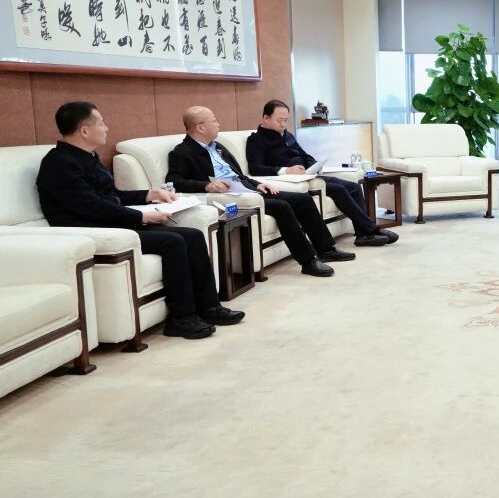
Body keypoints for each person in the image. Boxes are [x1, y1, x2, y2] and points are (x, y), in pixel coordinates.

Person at [36, 101, 243, 340]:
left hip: (111, 221)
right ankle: (181, 317)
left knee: (193, 236)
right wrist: (141, 216)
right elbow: (90, 206)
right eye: (101, 123)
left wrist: (148, 195)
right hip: (91, 229)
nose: (106, 128)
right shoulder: (59, 164)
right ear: (84, 130)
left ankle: (209, 307)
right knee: (173, 241)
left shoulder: (87, 158)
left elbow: (111, 196)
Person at [166, 106, 352, 277]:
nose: (218, 124)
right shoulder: (182, 152)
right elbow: (174, 181)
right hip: (229, 197)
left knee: (303, 199)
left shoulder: (218, 147)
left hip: (247, 189)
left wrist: (257, 184)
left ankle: (326, 249)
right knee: (281, 207)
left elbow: (239, 175)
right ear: (200, 127)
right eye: (214, 120)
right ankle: (308, 261)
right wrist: (206, 185)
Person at [244, 100, 397, 247]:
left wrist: (314, 165)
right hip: (293, 182)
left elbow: (304, 155)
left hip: (309, 175)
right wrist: (286, 170)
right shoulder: (256, 140)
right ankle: (372, 230)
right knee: (339, 189)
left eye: (286, 120)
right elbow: (255, 168)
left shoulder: (287, 135)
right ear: (266, 118)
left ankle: (363, 234)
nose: (283, 124)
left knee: (354, 187)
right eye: (279, 120)